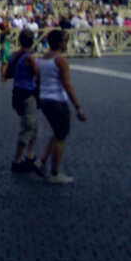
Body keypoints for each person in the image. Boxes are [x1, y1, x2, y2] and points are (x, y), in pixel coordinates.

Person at [37, 28, 86, 184]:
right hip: (57, 100)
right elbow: (67, 84)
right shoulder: (61, 61)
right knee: (61, 136)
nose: (67, 43)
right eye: (65, 41)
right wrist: (77, 106)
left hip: (44, 99)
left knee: (57, 131)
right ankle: (55, 173)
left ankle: (41, 161)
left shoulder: (42, 59)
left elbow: (37, 81)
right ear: (60, 43)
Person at [6, 29, 41, 174]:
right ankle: (17, 161)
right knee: (28, 127)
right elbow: (38, 75)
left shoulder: (14, 55)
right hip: (27, 93)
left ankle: (30, 156)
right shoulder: (29, 58)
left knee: (34, 125)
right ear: (32, 42)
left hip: (17, 92)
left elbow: (8, 73)